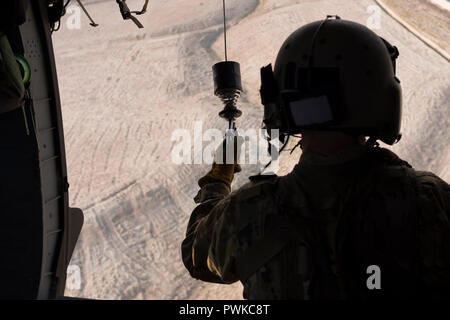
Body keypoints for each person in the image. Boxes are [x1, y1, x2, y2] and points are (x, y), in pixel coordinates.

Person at [181, 16, 450, 299]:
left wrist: (218, 182)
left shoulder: (249, 211)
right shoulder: (430, 201)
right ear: (382, 98)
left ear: (281, 104)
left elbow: (196, 257)